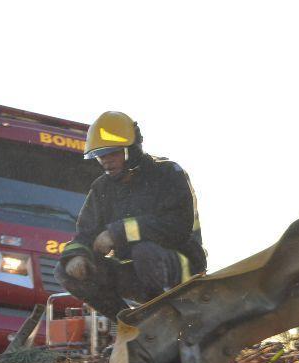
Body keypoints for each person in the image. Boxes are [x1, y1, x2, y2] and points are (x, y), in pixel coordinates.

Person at [55, 111, 206, 319]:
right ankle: (130, 322)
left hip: (182, 268)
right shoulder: (102, 188)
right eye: (100, 156)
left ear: (132, 149)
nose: (106, 161)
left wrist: (117, 233)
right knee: (63, 271)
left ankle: (169, 318)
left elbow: (177, 227)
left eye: (112, 153)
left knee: (144, 251)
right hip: (138, 271)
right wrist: (76, 256)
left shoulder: (168, 174)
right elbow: (85, 234)